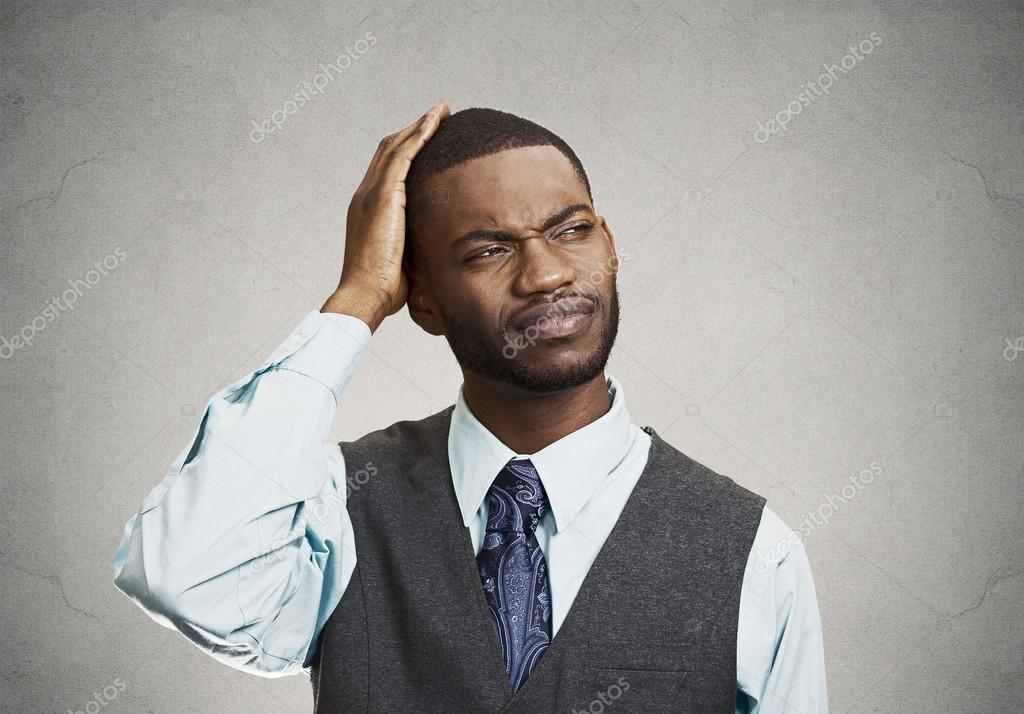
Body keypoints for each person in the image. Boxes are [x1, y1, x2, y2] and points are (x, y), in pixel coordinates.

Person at [113, 100, 828, 712]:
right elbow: (184, 571)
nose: (546, 274)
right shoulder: (338, 510)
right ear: (419, 296)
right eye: (488, 250)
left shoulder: (754, 553)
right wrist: (357, 298)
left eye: (571, 230)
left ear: (609, 245)